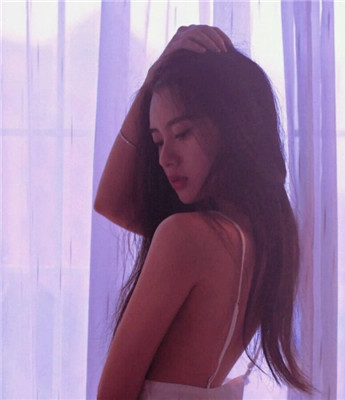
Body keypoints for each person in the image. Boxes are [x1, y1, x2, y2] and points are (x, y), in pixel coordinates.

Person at [95, 25, 311, 399]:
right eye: (157, 140)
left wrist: (150, 85)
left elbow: (111, 395)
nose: (165, 158)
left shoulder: (188, 237)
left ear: (233, 127)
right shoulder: (270, 235)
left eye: (181, 134)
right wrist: (152, 85)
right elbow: (111, 203)